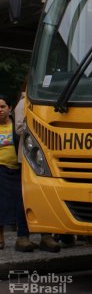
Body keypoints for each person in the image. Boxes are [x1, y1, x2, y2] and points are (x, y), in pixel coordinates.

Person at [13, 88, 62, 253]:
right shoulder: (23, 103)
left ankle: (46, 235)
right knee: (25, 197)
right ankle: (22, 236)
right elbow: (19, 129)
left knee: (44, 194)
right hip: (29, 155)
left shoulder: (44, 102)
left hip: (44, 154)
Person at [0, 93, 36, 252]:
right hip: (0, 169)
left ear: (10, 108)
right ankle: (0, 238)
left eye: (2, 107)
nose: (0, 110)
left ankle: (22, 236)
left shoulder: (16, 127)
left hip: (18, 170)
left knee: (19, 204)